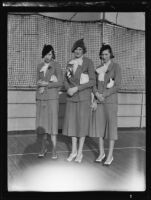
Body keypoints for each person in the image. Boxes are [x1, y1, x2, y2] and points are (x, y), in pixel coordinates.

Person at [63, 38, 96, 163]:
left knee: (81, 125)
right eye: (76, 49)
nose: (78, 51)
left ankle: (80, 153)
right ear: (73, 50)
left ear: (83, 51)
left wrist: (77, 88)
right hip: (72, 97)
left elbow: (93, 81)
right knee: (72, 124)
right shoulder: (70, 63)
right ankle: (73, 151)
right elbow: (65, 80)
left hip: (83, 98)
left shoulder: (88, 62)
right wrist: (68, 89)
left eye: (80, 49)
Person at [90, 43, 122, 166]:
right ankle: (102, 153)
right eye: (102, 54)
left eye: (106, 54)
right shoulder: (98, 68)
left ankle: (110, 156)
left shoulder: (116, 67)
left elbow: (117, 85)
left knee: (111, 129)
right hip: (99, 101)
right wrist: (96, 95)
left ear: (110, 55)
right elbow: (93, 85)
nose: (104, 56)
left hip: (110, 102)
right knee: (100, 128)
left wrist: (105, 94)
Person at [36, 44, 63, 159]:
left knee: (52, 125)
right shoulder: (39, 66)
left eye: (51, 54)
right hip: (41, 98)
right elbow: (37, 81)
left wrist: (47, 84)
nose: (49, 56)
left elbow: (60, 83)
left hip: (52, 99)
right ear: (44, 54)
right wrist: (40, 85)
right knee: (42, 125)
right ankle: (43, 148)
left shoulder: (56, 65)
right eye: (47, 54)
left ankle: (54, 150)